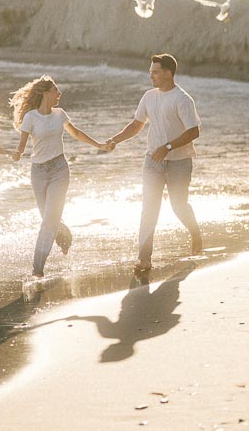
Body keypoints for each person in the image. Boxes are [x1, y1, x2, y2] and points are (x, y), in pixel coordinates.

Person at [105, 53, 203, 279]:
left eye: (155, 72)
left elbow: (194, 131)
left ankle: (195, 232)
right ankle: (144, 257)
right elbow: (136, 125)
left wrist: (168, 146)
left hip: (179, 162)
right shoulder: (149, 97)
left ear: (168, 73)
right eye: (150, 72)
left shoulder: (182, 99)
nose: (151, 76)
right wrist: (115, 140)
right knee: (149, 208)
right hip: (152, 162)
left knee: (179, 206)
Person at [11, 75, 106, 278]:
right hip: (38, 172)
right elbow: (21, 147)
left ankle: (37, 268)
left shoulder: (60, 114)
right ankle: (64, 236)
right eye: (56, 91)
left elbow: (77, 133)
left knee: (48, 220)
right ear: (46, 93)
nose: (59, 94)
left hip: (59, 170)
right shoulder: (30, 118)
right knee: (48, 218)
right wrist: (17, 153)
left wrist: (98, 145)